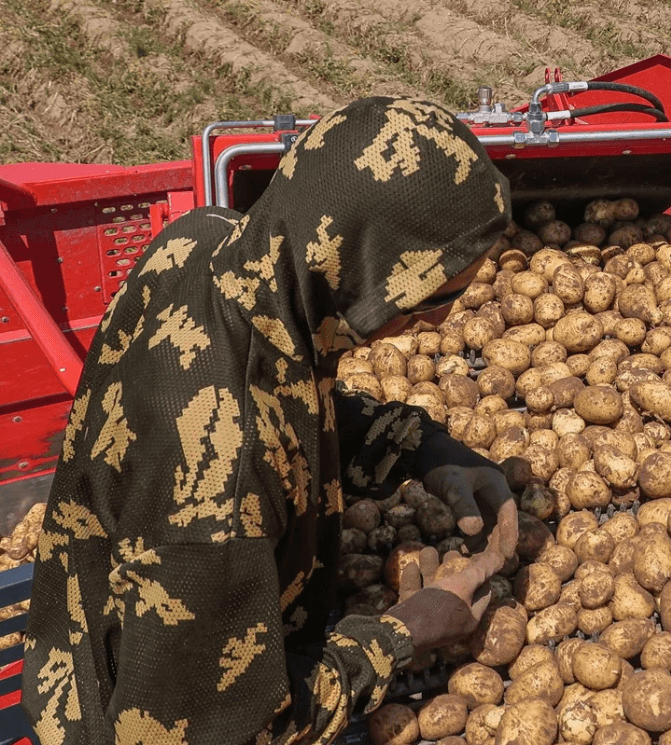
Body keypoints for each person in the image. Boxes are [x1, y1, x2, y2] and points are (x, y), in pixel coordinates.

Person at [22, 96, 519, 744]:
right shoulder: (218, 498)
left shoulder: (206, 242)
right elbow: (234, 731)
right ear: (363, 269)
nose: (439, 320)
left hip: (130, 616)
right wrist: (403, 634)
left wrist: (416, 446)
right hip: (126, 711)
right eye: (435, 299)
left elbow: (276, 388)